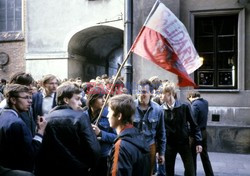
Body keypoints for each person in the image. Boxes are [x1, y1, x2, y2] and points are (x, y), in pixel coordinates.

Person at [35, 81, 101, 176]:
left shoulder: (47, 118)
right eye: (77, 99)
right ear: (66, 100)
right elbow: (94, 149)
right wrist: (90, 166)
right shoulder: (80, 117)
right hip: (77, 169)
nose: (80, 103)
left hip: (51, 170)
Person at [0, 84, 46, 172]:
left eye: (30, 97)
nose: (30, 101)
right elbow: (31, 153)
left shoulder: (3, 114)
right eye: (26, 98)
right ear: (13, 100)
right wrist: (40, 131)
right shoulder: (17, 123)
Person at [160, 81, 202, 176]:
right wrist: (160, 149)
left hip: (184, 143)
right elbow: (159, 131)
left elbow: (194, 124)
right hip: (169, 145)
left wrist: (198, 142)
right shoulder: (161, 109)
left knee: (190, 171)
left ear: (169, 94)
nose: (160, 96)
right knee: (169, 171)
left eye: (162, 93)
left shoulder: (184, 106)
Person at [107, 94, 151, 176]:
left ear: (119, 116)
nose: (107, 115)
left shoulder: (121, 146)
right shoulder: (140, 136)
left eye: (109, 111)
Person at [134, 79, 166, 175]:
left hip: (150, 147)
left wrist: (161, 153)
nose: (140, 94)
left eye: (144, 92)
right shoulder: (130, 106)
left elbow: (161, 133)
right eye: (138, 91)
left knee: (149, 172)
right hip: (134, 147)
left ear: (151, 93)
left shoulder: (158, 110)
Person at [83, 86, 117, 176]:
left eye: (105, 97)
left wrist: (101, 133)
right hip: (88, 157)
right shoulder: (83, 115)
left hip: (104, 157)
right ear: (92, 99)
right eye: (100, 97)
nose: (104, 100)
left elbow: (116, 137)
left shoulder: (109, 115)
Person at [187, 91, 214, 176]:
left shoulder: (195, 105)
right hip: (204, 131)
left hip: (196, 134)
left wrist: (190, 134)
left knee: (192, 157)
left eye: (189, 99)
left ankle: (192, 174)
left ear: (192, 96)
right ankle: (209, 174)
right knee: (205, 156)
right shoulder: (205, 102)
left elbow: (193, 122)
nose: (189, 101)